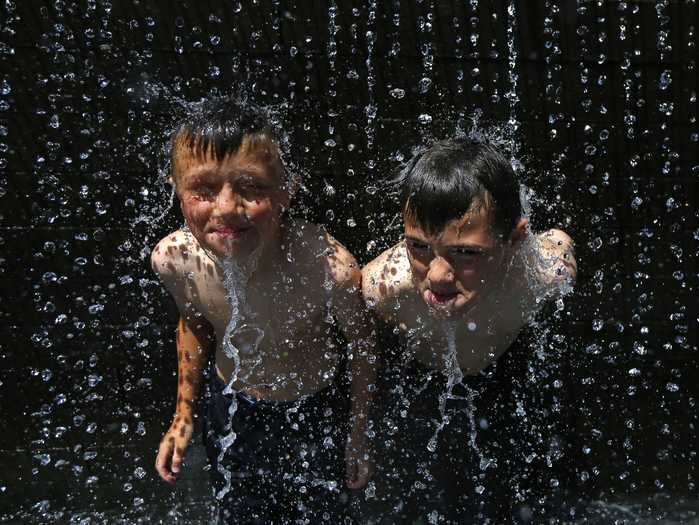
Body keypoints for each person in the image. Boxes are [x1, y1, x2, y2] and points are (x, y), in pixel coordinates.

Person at [150, 98, 374, 524]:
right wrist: (182, 415)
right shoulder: (175, 259)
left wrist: (358, 433)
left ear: (287, 189)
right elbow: (194, 322)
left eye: (251, 188)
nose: (226, 208)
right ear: (176, 189)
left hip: (317, 408)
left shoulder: (328, 269)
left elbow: (362, 341)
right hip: (231, 402)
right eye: (203, 190)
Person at [361, 137, 577, 524]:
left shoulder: (545, 274)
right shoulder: (384, 288)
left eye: (466, 253)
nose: (439, 275)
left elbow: (558, 246)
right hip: (423, 382)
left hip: (509, 373)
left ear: (514, 239)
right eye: (420, 247)